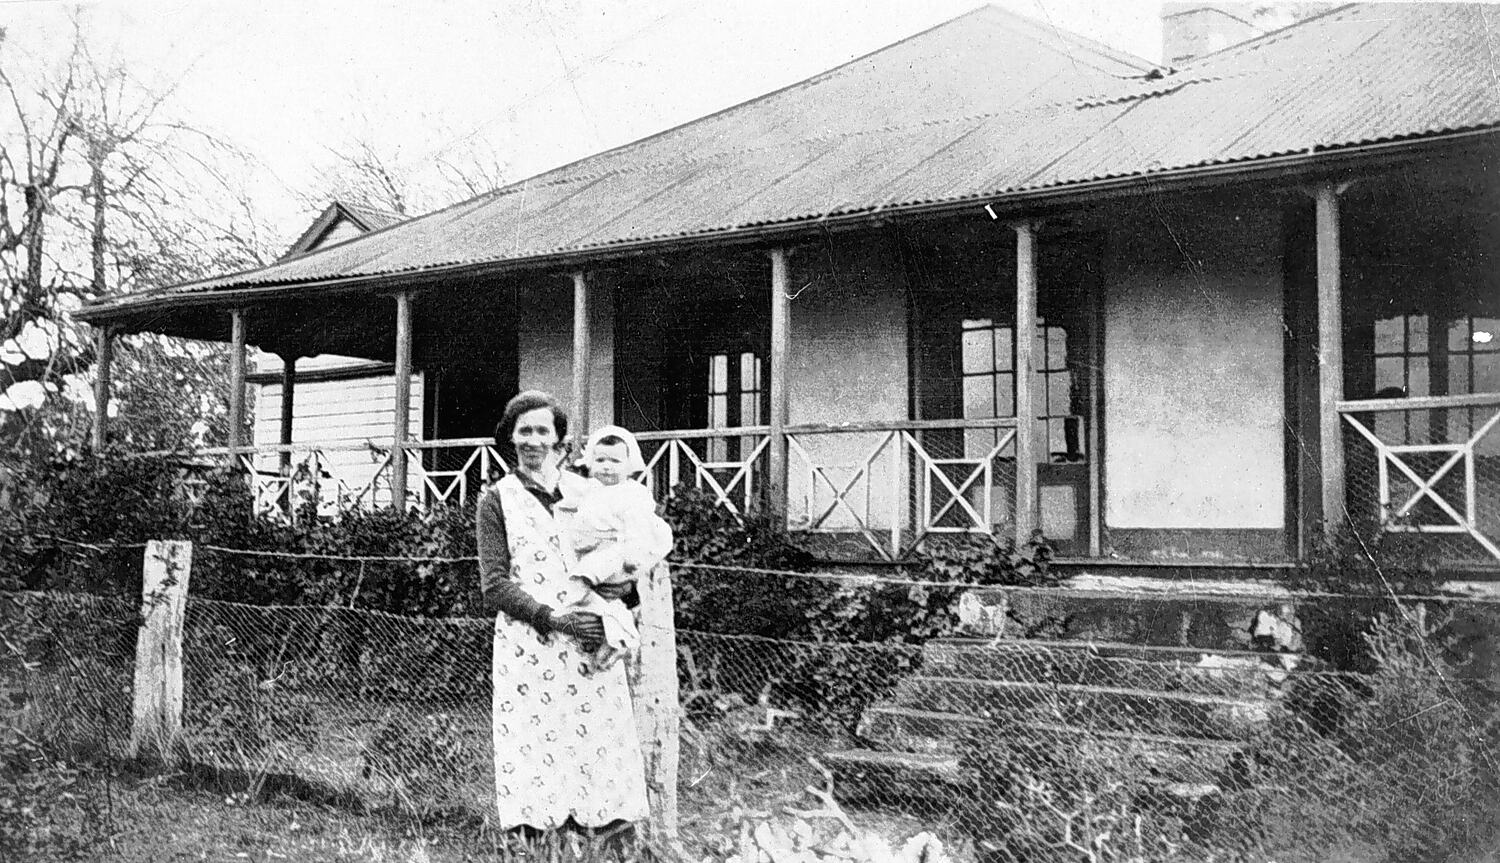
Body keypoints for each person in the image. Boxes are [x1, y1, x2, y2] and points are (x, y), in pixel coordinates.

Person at [475, 390, 648, 834]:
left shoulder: (589, 491)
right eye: (524, 431)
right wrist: (553, 618)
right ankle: (537, 846)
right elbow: (495, 585)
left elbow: (624, 554)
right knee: (533, 747)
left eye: (542, 431)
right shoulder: (497, 500)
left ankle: (607, 845)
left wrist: (615, 609)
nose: (533, 440)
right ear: (510, 438)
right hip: (530, 645)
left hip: (590, 639)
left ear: (559, 439)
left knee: (600, 744)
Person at [562, 425, 674, 672]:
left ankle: (606, 638)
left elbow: (638, 528)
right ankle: (609, 647)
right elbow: (569, 496)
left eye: (615, 461)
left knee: (581, 584)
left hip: (617, 554)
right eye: (600, 460)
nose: (607, 467)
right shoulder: (590, 489)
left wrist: (633, 556)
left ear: (629, 464)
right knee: (606, 606)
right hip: (592, 551)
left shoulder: (632, 493)